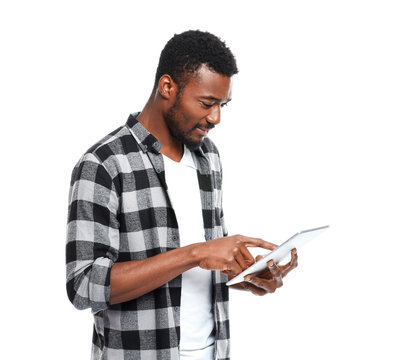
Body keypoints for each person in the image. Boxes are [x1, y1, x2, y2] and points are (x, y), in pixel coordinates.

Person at [66, 30, 298, 360]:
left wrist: (248, 276)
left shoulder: (209, 158)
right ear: (167, 87)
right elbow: (83, 286)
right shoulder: (103, 164)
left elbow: (208, 260)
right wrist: (193, 254)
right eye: (207, 103)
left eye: (222, 105)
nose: (215, 117)